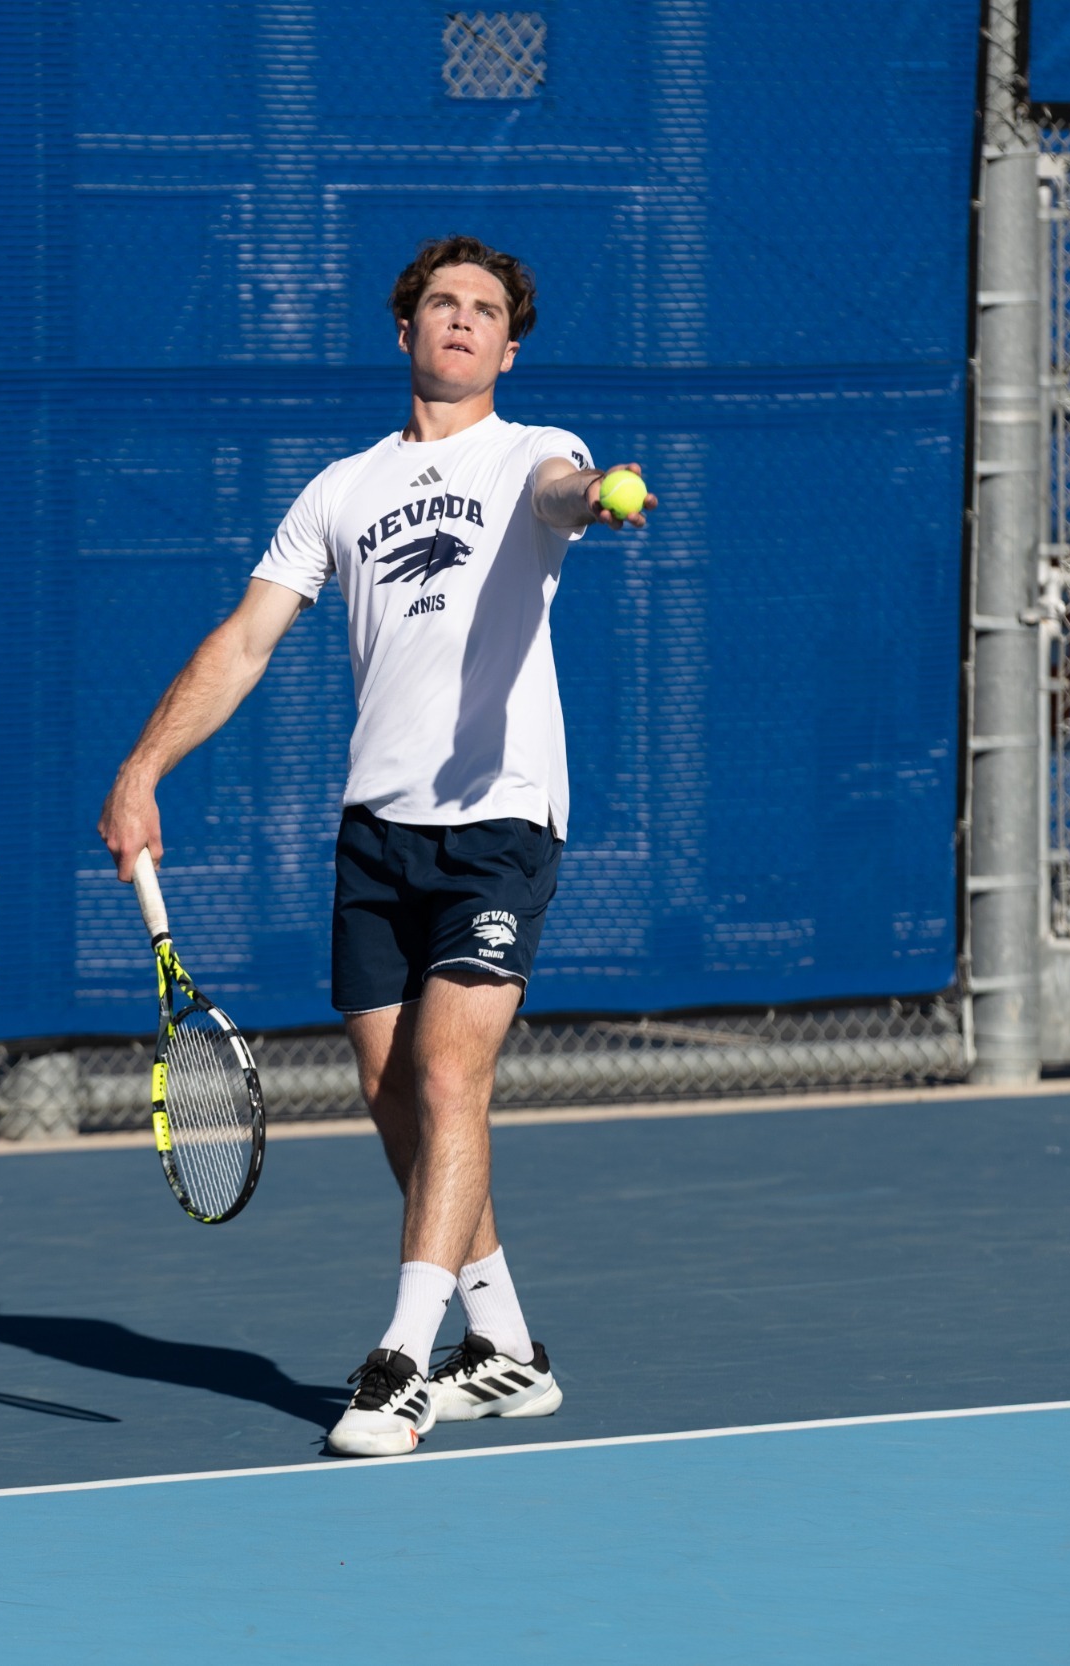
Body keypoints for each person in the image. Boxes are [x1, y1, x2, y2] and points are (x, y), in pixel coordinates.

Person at [96, 235, 656, 1458]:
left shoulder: (532, 458)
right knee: (393, 1092)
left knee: (453, 1078)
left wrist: (598, 490)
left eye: (486, 312)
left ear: (509, 348)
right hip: (376, 829)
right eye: (442, 305)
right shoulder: (337, 490)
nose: (461, 322)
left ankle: (403, 1358)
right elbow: (246, 642)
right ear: (405, 330)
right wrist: (144, 767)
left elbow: (567, 496)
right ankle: (503, 1347)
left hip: (499, 821)